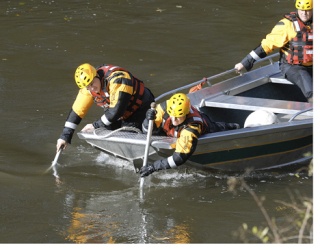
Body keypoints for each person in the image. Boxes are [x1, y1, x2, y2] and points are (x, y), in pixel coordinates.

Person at [56, 63, 155, 152]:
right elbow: (77, 111)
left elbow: (116, 111)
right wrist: (65, 136)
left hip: (139, 108)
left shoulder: (118, 80)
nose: (91, 88)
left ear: (97, 75)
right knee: (99, 132)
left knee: (125, 140)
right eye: (87, 87)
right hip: (118, 113)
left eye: (92, 83)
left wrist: (95, 125)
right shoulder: (88, 88)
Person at [139, 93, 240, 177]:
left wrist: (153, 167)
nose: (173, 120)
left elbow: (179, 158)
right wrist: (148, 120)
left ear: (185, 114)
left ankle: (233, 126)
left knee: (216, 127)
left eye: (178, 117)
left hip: (206, 126)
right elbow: (146, 131)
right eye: (172, 115)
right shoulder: (165, 106)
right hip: (177, 129)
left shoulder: (192, 128)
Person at [234, 0, 313, 103]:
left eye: (307, 10)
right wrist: (246, 62)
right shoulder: (286, 25)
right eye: (301, 10)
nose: (304, 13)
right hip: (293, 67)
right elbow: (266, 45)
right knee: (310, 87)